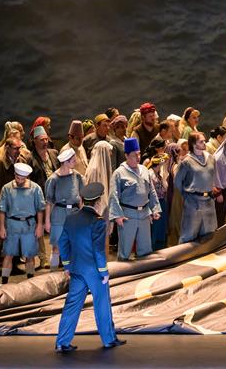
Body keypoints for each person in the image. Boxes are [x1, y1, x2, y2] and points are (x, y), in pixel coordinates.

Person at [56, 182, 125, 352]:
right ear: (98, 202)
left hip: (76, 269)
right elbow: (98, 250)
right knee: (102, 303)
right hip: (94, 271)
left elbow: (62, 243)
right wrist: (104, 271)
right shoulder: (98, 222)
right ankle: (109, 339)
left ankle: (62, 342)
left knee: (72, 305)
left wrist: (67, 265)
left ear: (82, 200)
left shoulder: (71, 218)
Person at [109, 137, 161, 260]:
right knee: (125, 250)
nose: (138, 158)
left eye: (139, 154)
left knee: (145, 249)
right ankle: (122, 270)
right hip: (128, 215)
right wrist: (117, 216)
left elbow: (151, 191)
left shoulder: (144, 170)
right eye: (134, 155)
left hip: (144, 214)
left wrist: (155, 208)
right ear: (126, 155)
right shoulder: (119, 173)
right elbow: (113, 195)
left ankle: (145, 270)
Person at [0, 137, 30, 274]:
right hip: (1, 208)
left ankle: (14, 264)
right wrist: (0, 204)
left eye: (19, 148)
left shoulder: (22, 162)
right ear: (7, 148)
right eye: (15, 148)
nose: (18, 151)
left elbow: (27, 182)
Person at [0, 162, 45, 284]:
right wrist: (2, 227)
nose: (19, 181)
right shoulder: (7, 188)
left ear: (27, 177)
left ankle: (30, 281)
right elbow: (2, 209)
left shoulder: (35, 188)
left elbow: (40, 209)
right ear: (14, 174)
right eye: (18, 178)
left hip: (29, 224)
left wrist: (40, 225)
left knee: (30, 254)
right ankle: (4, 282)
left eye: (22, 179)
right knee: (8, 254)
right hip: (12, 224)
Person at [175, 132, 219, 243]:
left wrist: (212, 187)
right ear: (194, 144)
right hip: (193, 201)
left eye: (204, 140)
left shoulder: (210, 158)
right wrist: (187, 195)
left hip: (209, 200)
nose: (204, 143)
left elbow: (212, 175)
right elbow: (177, 181)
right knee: (189, 233)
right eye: (201, 141)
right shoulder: (186, 161)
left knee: (209, 233)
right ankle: (184, 253)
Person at [44, 148, 84, 269]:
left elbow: (80, 197)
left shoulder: (77, 176)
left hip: (74, 213)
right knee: (56, 246)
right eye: (73, 160)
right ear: (65, 162)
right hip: (59, 214)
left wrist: (82, 214)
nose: (75, 162)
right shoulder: (53, 179)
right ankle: (53, 272)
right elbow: (49, 202)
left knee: (74, 245)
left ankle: (72, 272)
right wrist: (47, 221)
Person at [29, 125, 58, 269]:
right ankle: (43, 258)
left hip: (55, 196)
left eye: (46, 139)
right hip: (40, 196)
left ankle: (57, 255)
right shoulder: (30, 158)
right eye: (42, 140)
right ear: (35, 141)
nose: (45, 142)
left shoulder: (53, 153)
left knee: (56, 225)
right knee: (39, 226)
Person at [147, 153, 170, 250]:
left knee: (161, 225)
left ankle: (160, 246)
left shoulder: (159, 174)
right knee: (155, 226)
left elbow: (165, 188)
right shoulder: (150, 174)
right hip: (154, 202)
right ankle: (152, 247)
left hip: (162, 201)